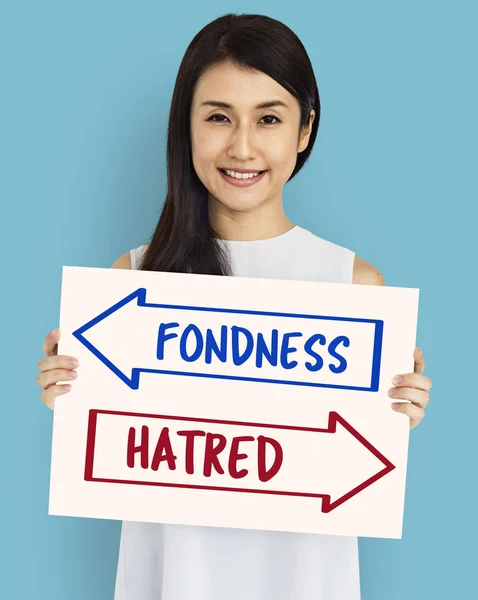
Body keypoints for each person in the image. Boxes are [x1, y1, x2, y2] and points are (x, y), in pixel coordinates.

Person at [36, 12, 432, 600]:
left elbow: (351, 467)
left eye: (269, 119)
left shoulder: (353, 286)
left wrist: (397, 416)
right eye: (218, 117)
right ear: (186, 127)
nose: (242, 146)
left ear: (304, 130)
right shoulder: (133, 280)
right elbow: (115, 447)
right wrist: (68, 396)